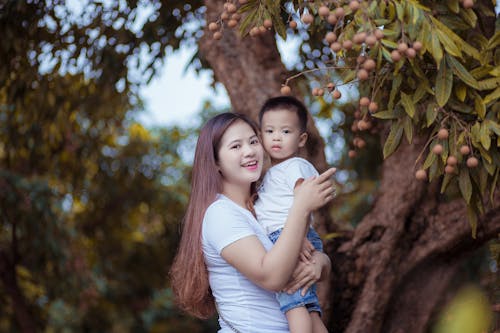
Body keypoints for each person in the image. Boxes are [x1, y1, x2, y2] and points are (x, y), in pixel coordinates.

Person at [170, 112, 336, 332]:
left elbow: (304, 259)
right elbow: (271, 276)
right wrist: (301, 206)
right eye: (236, 146)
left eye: (253, 142)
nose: (249, 151)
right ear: (216, 161)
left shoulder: (264, 209)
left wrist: (321, 262)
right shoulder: (220, 214)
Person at [254, 96, 331, 333]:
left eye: (286, 131)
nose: (277, 137)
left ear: (301, 139)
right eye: (270, 131)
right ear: (261, 136)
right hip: (291, 235)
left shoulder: (295, 166)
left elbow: (303, 203)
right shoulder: (271, 172)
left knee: (292, 303)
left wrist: (297, 238)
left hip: (289, 237)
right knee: (308, 306)